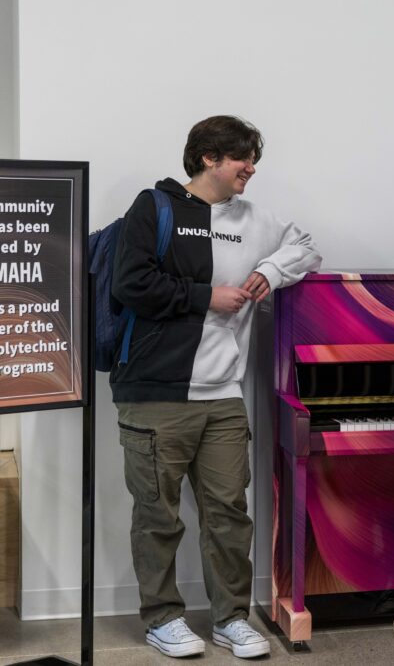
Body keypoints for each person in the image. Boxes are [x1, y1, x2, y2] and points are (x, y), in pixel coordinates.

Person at [111, 115, 322, 658]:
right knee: (157, 517)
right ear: (210, 158)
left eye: (253, 159)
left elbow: (306, 247)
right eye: (242, 158)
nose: (251, 168)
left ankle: (231, 618)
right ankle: (162, 618)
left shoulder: (253, 219)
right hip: (155, 394)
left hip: (224, 395)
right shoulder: (154, 206)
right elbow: (131, 283)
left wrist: (270, 271)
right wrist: (206, 295)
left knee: (229, 514)